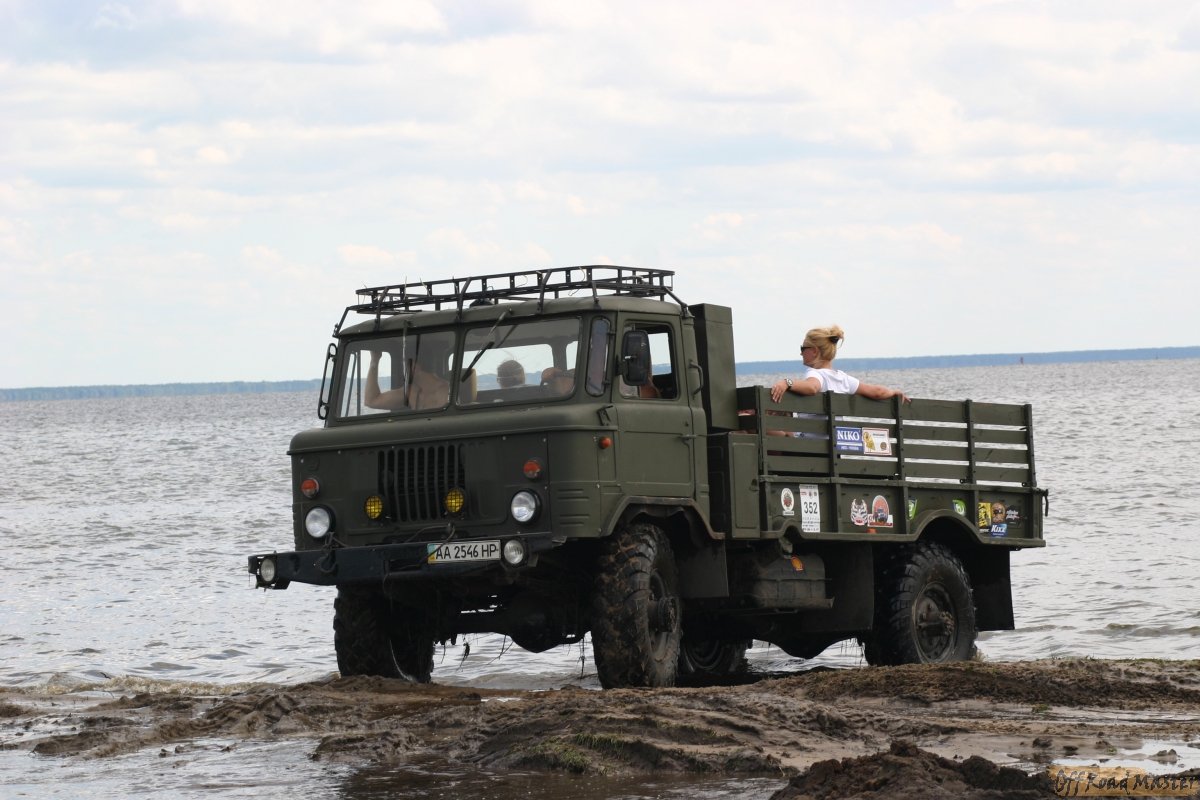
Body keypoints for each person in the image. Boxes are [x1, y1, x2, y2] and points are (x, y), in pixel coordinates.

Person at [770, 325, 910, 404]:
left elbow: (812, 387)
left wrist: (787, 383)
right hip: (836, 442)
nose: (801, 353)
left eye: (803, 348)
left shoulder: (815, 374)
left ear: (814, 351)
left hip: (811, 442)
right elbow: (876, 392)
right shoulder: (844, 379)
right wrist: (893, 392)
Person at [364, 351, 449, 411]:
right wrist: (375, 359)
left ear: (414, 368)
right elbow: (371, 401)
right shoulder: (412, 392)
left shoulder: (446, 392)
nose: (403, 371)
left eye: (405, 367)